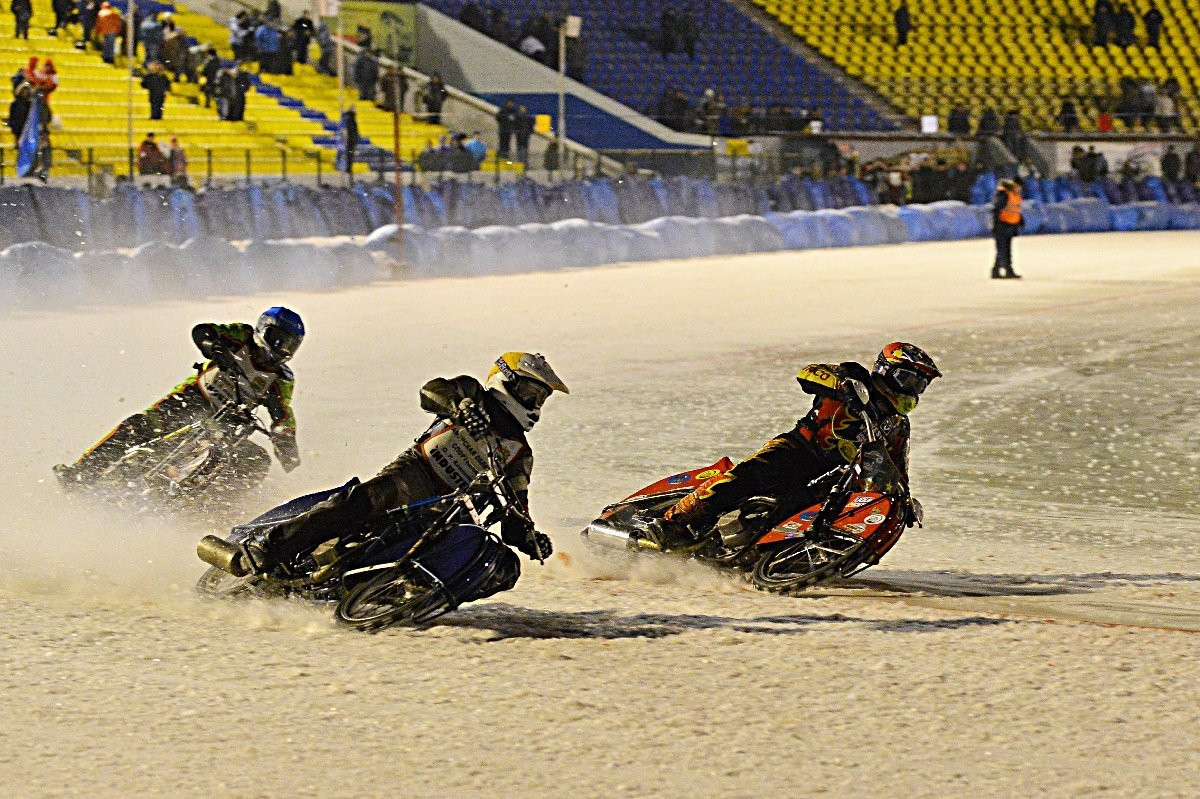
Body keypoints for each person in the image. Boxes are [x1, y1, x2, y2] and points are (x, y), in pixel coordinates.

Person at [234, 352, 568, 577]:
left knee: (496, 566)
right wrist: (461, 407)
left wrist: (530, 538)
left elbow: (516, 509)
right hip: (413, 475)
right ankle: (269, 547)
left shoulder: (520, 454)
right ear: (506, 379)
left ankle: (402, 592)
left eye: (541, 398)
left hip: (449, 510)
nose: (534, 403)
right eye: (531, 392)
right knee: (357, 503)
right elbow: (432, 392)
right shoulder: (472, 393)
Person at [648, 344, 940, 549]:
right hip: (800, 449)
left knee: (809, 512)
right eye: (909, 379)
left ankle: (768, 551)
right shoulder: (854, 378)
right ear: (886, 371)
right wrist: (843, 388)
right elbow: (808, 373)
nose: (913, 390)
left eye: (920, 385)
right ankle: (670, 524)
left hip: (835, 476)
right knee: (744, 478)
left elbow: (897, 468)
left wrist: (905, 500)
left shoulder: (898, 425)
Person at [55, 308, 305, 490]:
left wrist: (286, 442)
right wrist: (214, 347)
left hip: (231, 423)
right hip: (193, 398)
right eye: (278, 339)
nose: (282, 349)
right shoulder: (242, 335)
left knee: (257, 462)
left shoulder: (282, 379)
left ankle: (210, 511)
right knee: (137, 426)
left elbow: (284, 414)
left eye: (290, 345)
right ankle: (80, 474)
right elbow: (203, 331)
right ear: (262, 329)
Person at [991, 178, 1022, 279]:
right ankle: (1007, 271)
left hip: (1010, 226)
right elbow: (996, 209)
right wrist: (996, 224)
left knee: (1003, 250)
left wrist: (1020, 220)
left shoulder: (1013, 194)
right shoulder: (1003, 194)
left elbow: (1014, 210)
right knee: (1003, 250)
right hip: (1002, 225)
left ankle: (997, 271)